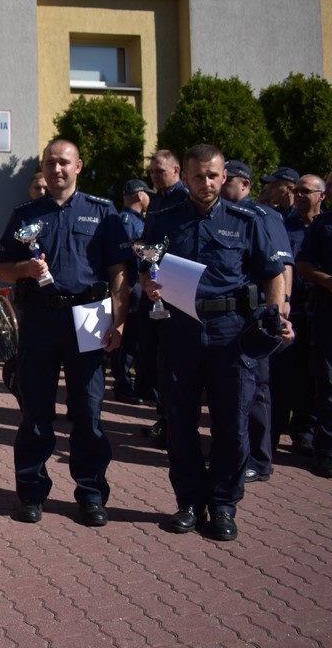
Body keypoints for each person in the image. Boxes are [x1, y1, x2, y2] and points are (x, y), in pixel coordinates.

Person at [142, 145, 290, 541]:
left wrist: (277, 319)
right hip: (180, 329)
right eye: (197, 176)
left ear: (224, 177)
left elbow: (273, 273)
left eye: (212, 175)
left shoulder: (247, 220)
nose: (205, 182)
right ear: (184, 177)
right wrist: (149, 286)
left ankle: (224, 505)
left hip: (231, 332)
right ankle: (189, 502)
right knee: (180, 422)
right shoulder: (163, 220)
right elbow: (146, 267)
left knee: (231, 424)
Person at [0, 139, 129, 527]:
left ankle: (90, 495)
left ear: (78, 167)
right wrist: (25, 271)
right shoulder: (25, 214)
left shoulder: (102, 212)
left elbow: (119, 271)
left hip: (89, 314)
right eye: (51, 163)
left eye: (64, 163)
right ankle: (32, 493)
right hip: (39, 316)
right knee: (35, 411)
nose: (57, 170)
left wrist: (119, 320)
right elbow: (5, 268)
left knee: (88, 412)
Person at [220, 160, 294, 484]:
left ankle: (261, 460)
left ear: (244, 185)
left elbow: (281, 267)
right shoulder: (225, 217)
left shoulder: (262, 216)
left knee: (258, 389)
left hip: (258, 314)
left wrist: (280, 311)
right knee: (238, 390)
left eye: (227, 181)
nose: (221, 186)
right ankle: (241, 452)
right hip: (233, 315)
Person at [139, 149, 190, 445]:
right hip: (154, 286)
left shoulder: (186, 199)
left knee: (176, 357)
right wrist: (145, 274)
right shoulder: (156, 201)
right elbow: (150, 243)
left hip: (179, 285)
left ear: (177, 170)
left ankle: (178, 420)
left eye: (161, 170)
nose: (156, 175)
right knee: (154, 354)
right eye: (152, 171)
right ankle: (164, 415)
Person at [275, 175, 327, 458]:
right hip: (291, 309)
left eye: (306, 191)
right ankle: (277, 427)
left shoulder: (324, 225)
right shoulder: (284, 226)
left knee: (313, 376)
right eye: (297, 191)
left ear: (321, 196)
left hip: (317, 308)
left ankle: (304, 431)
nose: (299, 195)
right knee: (286, 373)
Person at [297, 197, 332, 479]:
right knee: (327, 382)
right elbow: (304, 263)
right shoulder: (323, 226)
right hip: (327, 310)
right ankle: (327, 451)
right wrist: (327, 280)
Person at [111, 178, 152, 405]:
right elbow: (128, 255)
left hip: (134, 284)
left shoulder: (131, 219)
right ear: (139, 195)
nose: (149, 199)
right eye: (148, 194)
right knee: (127, 338)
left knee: (133, 337)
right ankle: (123, 384)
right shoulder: (128, 221)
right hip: (130, 285)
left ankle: (127, 381)